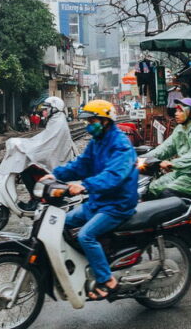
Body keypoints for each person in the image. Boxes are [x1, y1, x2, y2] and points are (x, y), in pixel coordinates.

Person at [44, 99, 137, 301]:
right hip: (98, 202)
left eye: (92, 120)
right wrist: (56, 175)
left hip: (117, 205)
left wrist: (85, 185)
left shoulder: (121, 145)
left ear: (105, 121)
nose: (88, 125)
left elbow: (114, 175)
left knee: (86, 235)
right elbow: (80, 165)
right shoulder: (96, 143)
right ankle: (86, 264)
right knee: (60, 223)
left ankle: (107, 280)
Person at [0, 97, 76, 211]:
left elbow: (44, 145)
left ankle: (36, 200)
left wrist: (22, 145)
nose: (43, 112)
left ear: (54, 109)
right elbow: (44, 142)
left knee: (26, 171)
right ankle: (35, 199)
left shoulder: (57, 123)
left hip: (56, 165)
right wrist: (26, 144)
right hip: (56, 161)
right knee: (30, 166)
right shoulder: (56, 120)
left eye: (46, 109)